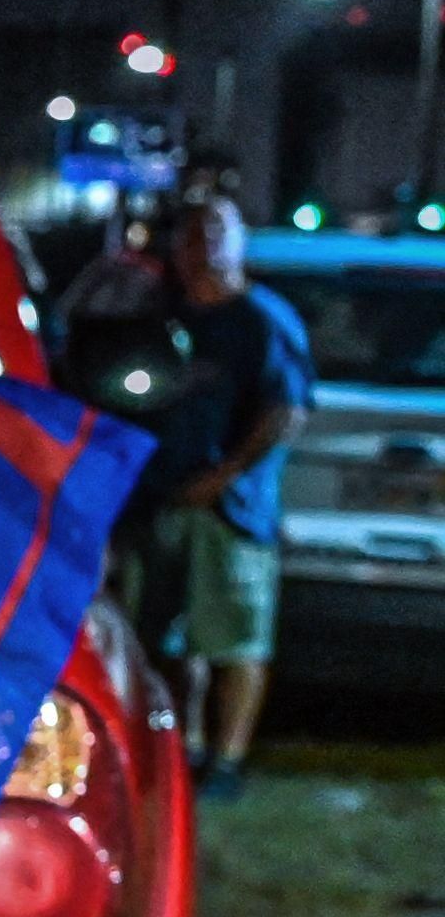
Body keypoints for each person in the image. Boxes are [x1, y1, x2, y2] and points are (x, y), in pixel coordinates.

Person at [143, 192, 313, 794]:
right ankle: (181, 751)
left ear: (237, 245)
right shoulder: (163, 318)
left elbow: (284, 413)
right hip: (162, 502)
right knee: (169, 639)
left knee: (235, 641)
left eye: (214, 234)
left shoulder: (262, 321)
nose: (200, 248)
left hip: (231, 513)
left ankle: (228, 760)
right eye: (190, 235)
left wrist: (229, 474)